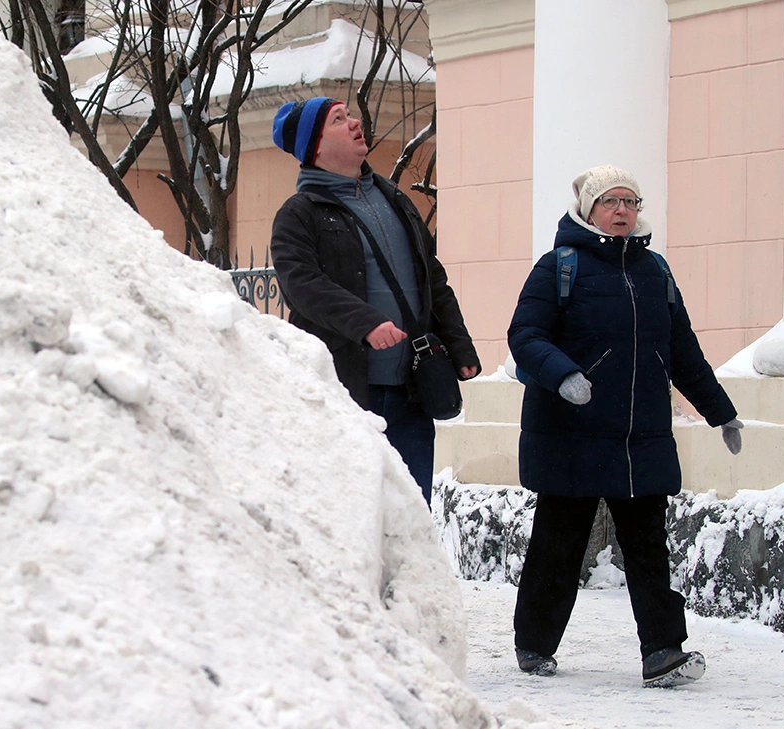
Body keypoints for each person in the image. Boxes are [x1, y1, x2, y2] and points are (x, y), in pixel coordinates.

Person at [507, 164, 744, 688]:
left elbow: (682, 351)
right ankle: (535, 643)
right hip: (571, 434)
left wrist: (720, 410)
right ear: (588, 209)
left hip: (641, 438)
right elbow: (524, 335)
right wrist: (563, 374)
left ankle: (663, 652)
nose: (621, 211)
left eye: (630, 202)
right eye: (610, 201)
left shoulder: (655, 271)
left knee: (648, 548)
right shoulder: (558, 267)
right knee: (558, 547)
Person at [269, 97, 481, 505]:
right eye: (338, 119)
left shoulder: (394, 198)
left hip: (412, 393)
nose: (354, 122)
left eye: (350, 114)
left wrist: (459, 345)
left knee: (412, 514)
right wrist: (364, 322)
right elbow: (302, 285)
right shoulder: (299, 214)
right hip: (348, 396)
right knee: (354, 514)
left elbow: (431, 276)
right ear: (315, 146)